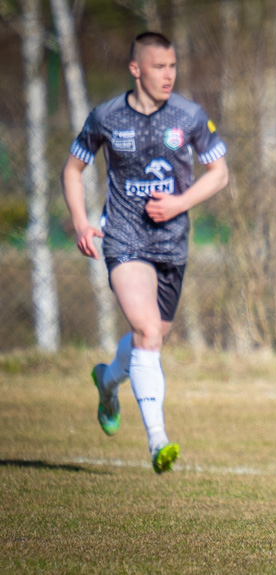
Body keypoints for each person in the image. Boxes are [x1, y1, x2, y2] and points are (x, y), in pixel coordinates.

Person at [61, 32, 229, 474]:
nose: (168, 75)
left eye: (172, 66)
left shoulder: (189, 115)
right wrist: (82, 221)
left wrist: (179, 202)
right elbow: (74, 169)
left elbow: (219, 173)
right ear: (136, 69)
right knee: (147, 331)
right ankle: (158, 441)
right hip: (123, 239)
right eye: (158, 67)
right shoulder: (107, 117)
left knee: (149, 339)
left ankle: (107, 379)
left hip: (172, 244)